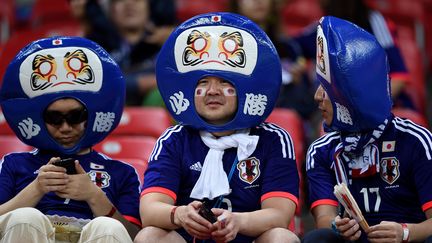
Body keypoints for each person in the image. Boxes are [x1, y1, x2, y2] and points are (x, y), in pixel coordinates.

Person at [133, 12, 300, 243]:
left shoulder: (274, 139)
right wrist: (179, 214)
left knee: (282, 237)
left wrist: (238, 222)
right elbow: (149, 210)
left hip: (247, 239)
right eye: (203, 83)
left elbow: (280, 215)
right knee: (149, 236)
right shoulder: (174, 138)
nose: (212, 91)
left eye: (225, 82)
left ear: (244, 89)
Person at [303, 16, 432, 243]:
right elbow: (324, 217)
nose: (316, 97)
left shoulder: (415, 140)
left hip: (409, 240)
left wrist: (405, 233)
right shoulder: (321, 150)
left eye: (326, 89)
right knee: (318, 238)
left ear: (352, 94)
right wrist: (337, 227)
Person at [0, 36, 141, 242]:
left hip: (91, 236)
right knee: (25, 218)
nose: (66, 127)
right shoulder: (14, 163)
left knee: (108, 226)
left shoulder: (123, 172)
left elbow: (136, 237)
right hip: (32, 233)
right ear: (40, 119)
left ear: (90, 116)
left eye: (76, 117)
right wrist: (36, 189)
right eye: (54, 118)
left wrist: (95, 196)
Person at [293, 0, 414, 111]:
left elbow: (399, 77)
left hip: (384, 107)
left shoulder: (374, 20)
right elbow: (287, 48)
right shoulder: (322, 27)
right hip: (340, 110)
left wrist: (368, 107)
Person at [69, 0, 175, 106]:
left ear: (149, 7)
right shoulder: (97, 45)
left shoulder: (170, 41)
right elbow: (93, 83)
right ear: (109, 10)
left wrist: (175, 41)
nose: (129, 3)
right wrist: (142, 83)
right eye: (119, 0)